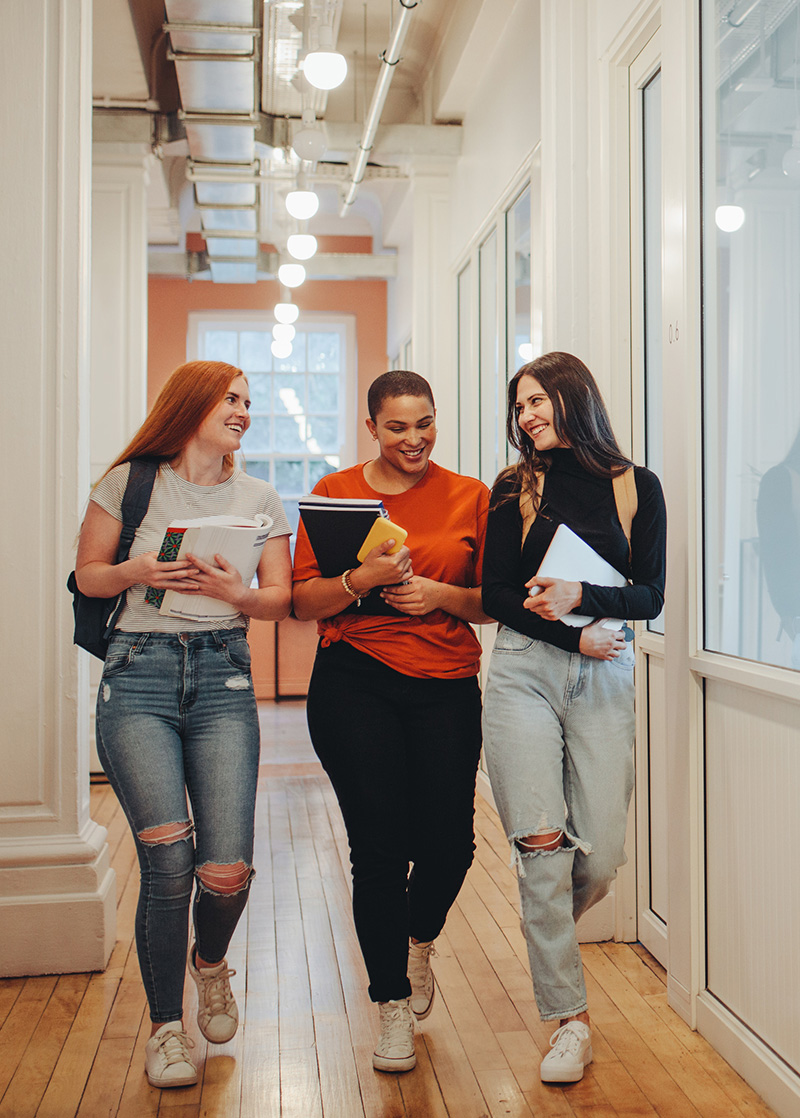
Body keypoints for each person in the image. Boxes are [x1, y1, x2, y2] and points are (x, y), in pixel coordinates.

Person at [74, 360, 292, 1088]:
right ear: (191, 403)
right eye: (231, 399)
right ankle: (166, 1028)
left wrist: (240, 590)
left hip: (225, 675)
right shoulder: (131, 481)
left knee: (224, 870)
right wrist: (139, 569)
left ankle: (210, 963)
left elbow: (280, 600)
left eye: (248, 402)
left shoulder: (261, 497)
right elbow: (86, 576)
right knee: (168, 863)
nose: (243, 412)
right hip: (138, 675)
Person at [292, 370, 490, 1073]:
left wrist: (438, 592)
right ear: (371, 426)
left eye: (425, 423)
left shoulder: (470, 495)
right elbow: (303, 602)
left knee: (450, 847)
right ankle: (392, 1005)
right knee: (377, 850)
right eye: (398, 426)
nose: (415, 438)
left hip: (446, 682)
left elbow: (492, 600)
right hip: (355, 682)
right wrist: (360, 582)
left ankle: (418, 938)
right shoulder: (336, 495)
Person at [481, 352, 666, 1085]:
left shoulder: (635, 487)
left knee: (604, 854)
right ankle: (569, 1020)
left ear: (573, 399)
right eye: (519, 407)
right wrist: (569, 628)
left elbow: (650, 594)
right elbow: (497, 594)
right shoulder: (512, 487)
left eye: (537, 402)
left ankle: (547, 920)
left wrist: (583, 596)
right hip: (525, 666)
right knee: (540, 847)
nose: (527, 417)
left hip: (607, 670)